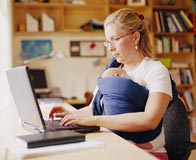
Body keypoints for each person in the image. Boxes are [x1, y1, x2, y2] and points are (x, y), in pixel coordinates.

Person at [49, 8, 179, 160]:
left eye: (115, 39)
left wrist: (95, 120)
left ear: (135, 37)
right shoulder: (111, 70)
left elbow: (150, 120)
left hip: (146, 154)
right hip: (114, 145)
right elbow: (95, 109)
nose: (110, 48)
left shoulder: (156, 71)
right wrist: (72, 115)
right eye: (107, 42)